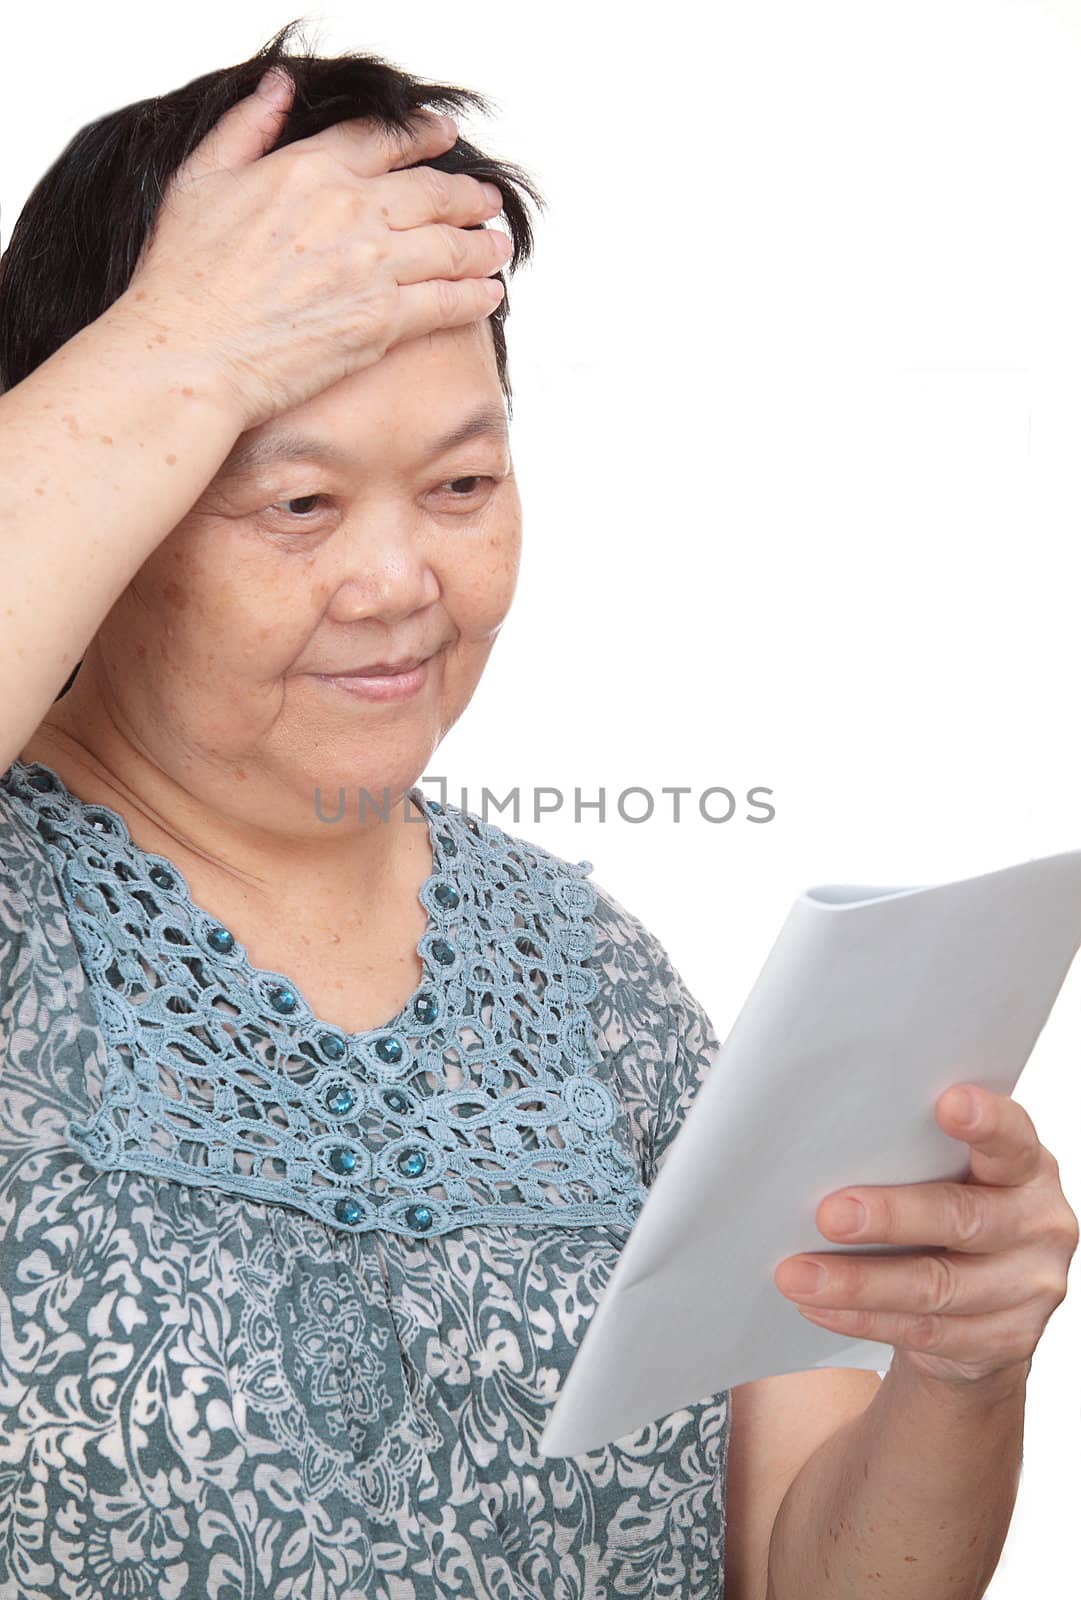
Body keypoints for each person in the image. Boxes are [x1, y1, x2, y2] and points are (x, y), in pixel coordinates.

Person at [0, 20, 1076, 1600]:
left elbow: (802, 1571)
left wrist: (960, 1373)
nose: (397, 585)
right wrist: (188, 342)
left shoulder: (604, 992)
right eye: (295, 501)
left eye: (460, 486)